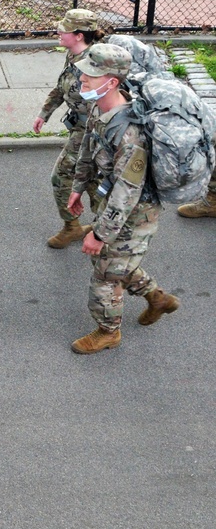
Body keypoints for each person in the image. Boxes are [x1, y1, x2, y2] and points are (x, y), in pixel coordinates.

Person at [67, 44, 180, 354]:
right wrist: (78, 186)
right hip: (115, 205)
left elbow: (127, 192)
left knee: (105, 274)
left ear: (112, 81)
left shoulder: (131, 134)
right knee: (116, 263)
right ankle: (157, 298)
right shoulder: (98, 108)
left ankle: (108, 332)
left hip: (135, 212)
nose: (82, 81)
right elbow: (88, 150)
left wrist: (100, 234)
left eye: (91, 76)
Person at [33, 9, 104, 248]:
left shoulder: (94, 65)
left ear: (79, 35)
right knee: (93, 178)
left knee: (62, 175)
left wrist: (94, 138)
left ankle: (74, 227)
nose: (58, 32)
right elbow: (60, 88)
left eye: (64, 30)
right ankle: (107, 222)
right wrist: (44, 113)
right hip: (80, 128)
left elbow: (105, 103)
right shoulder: (73, 56)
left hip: (91, 132)